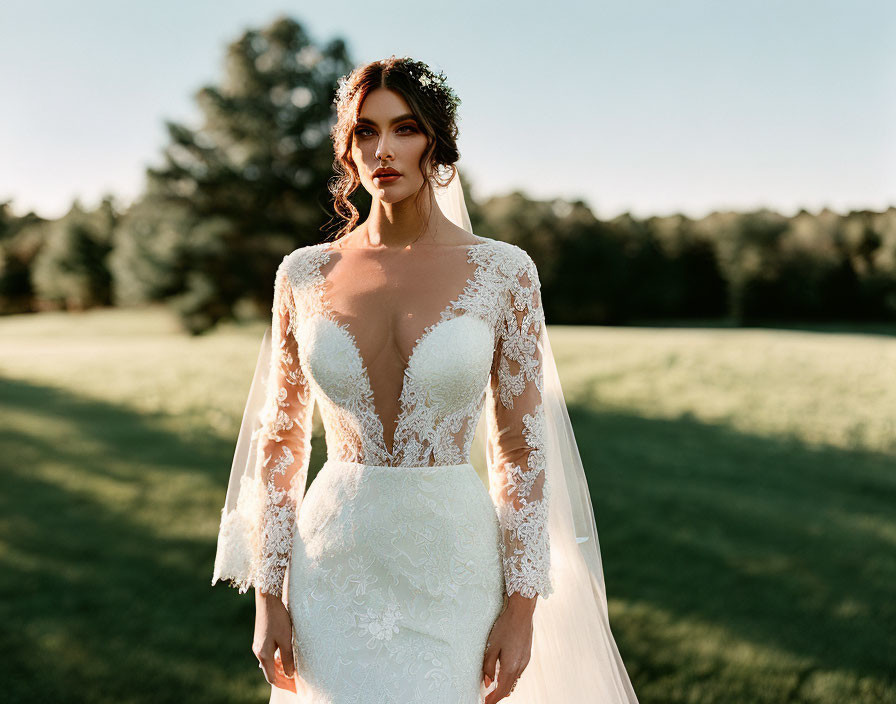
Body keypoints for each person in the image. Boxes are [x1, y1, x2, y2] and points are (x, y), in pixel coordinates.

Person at [212, 56, 640, 704]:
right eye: (365, 131)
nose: (383, 149)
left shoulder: (504, 274)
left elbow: (521, 452)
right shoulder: (301, 275)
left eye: (405, 128)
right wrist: (268, 597)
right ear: (347, 147)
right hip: (332, 566)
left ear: (436, 144)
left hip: (453, 574)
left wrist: (522, 610)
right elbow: (281, 442)